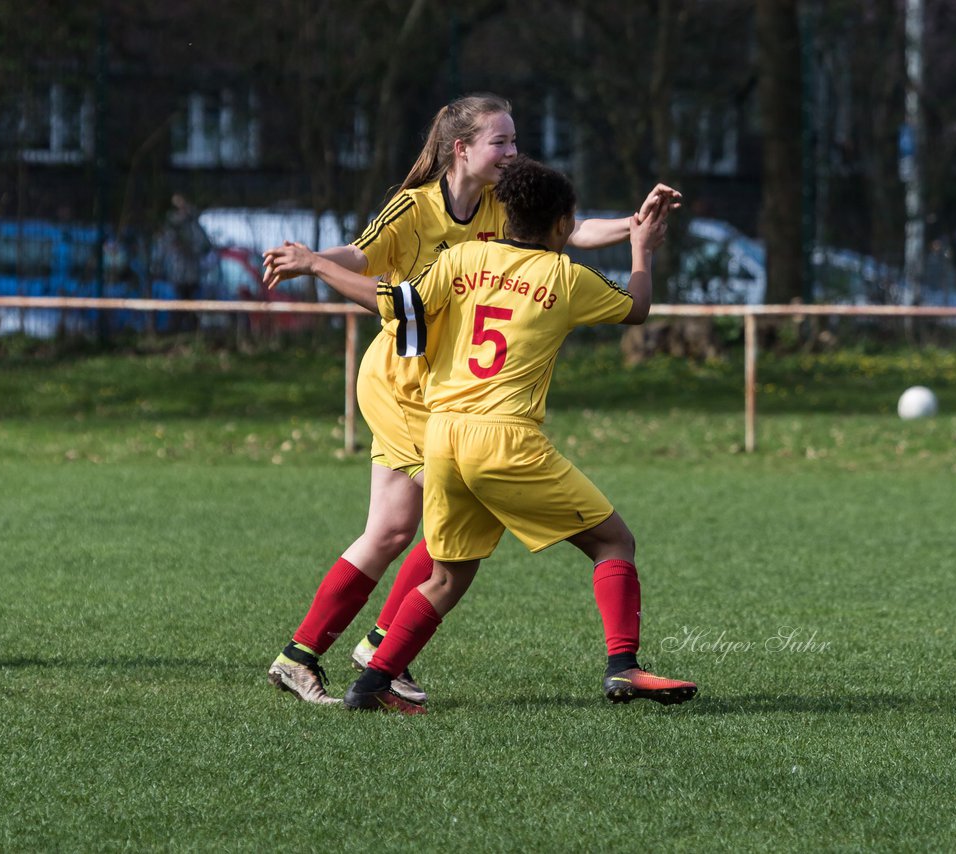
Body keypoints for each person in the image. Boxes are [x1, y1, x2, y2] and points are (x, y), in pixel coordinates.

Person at [261, 95, 679, 707]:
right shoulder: (418, 207)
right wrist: (318, 263)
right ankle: (355, 655)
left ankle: (347, 657)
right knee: (407, 528)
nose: (514, 153)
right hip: (408, 383)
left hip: (452, 392)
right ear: (462, 149)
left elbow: (571, 228)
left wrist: (632, 224)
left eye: (515, 142)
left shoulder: (496, 211)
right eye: (502, 142)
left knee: (417, 529)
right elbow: (367, 260)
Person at [160, 193, 212, 333]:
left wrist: (191, 249)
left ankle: (188, 333)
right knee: (180, 305)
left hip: (192, 274)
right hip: (176, 274)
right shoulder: (171, 226)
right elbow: (165, 247)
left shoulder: (193, 225)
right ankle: (175, 332)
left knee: (189, 305)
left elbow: (205, 246)